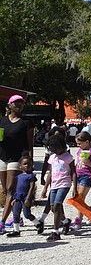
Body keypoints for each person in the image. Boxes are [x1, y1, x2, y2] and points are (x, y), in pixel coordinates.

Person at [0, 94, 35, 234]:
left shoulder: (26, 122)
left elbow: (30, 143)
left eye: (21, 103)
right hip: (2, 156)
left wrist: (29, 161)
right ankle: (17, 216)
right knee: (5, 190)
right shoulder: (2, 121)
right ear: (10, 105)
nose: (19, 105)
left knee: (10, 189)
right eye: (16, 103)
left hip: (18, 158)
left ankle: (2, 222)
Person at [39, 135, 78, 242]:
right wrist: (45, 188)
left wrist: (75, 188)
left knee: (57, 205)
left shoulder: (68, 157)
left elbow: (73, 172)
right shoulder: (52, 158)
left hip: (65, 184)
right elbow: (50, 173)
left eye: (55, 148)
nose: (54, 150)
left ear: (61, 146)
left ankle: (56, 232)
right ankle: (65, 222)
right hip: (54, 185)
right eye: (51, 149)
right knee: (52, 208)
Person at [71, 131, 91, 231]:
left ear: (87, 142)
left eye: (79, 143)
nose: (78, 146)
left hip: (87, 176)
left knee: (80, 197)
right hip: (78, 175)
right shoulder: (80, 151)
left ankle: (79, 219)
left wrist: (89, 163)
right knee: (77, 198)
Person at [5, 156, 38, 237]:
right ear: (20, 165)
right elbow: (17, 188)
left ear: (32, 165)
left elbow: (32, 188)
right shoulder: (19, 176)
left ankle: (38, 224)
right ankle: (16, 230)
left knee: (27, 214)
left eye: (29, 164)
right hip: (18, 198)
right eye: (25, 164)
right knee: (16, 213)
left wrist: (28, 198)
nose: (27, 165)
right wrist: (14, 198)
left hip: (26, 197)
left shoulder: (31, 176)